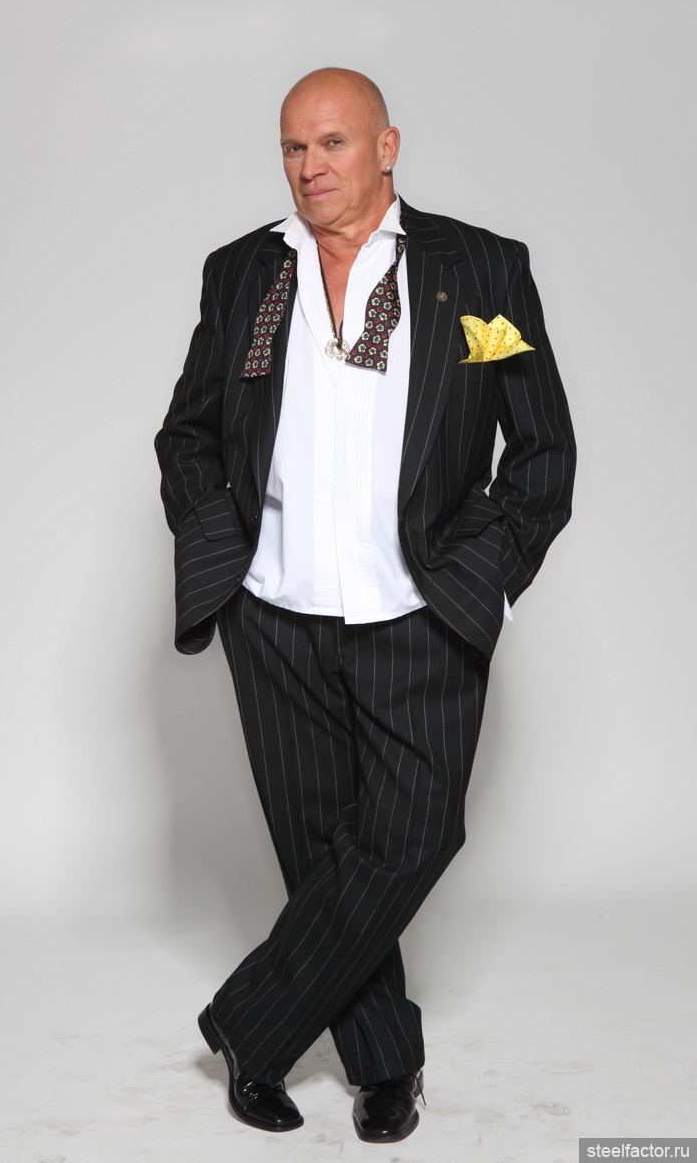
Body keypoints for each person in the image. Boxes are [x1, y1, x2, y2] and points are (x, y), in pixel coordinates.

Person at [154, 67, 575, 1143]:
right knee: (320, 849)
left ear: (387, 148)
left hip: (418, 610)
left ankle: (250, 1024)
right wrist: (221, 554)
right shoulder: (244, 273)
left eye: (332, 143)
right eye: (293, 149)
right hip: (274, 611)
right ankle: (386, 1063)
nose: (310, 168)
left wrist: (482, 576)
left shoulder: (477, 272)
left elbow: (540, 449)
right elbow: (188, 433)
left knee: (411, 835)